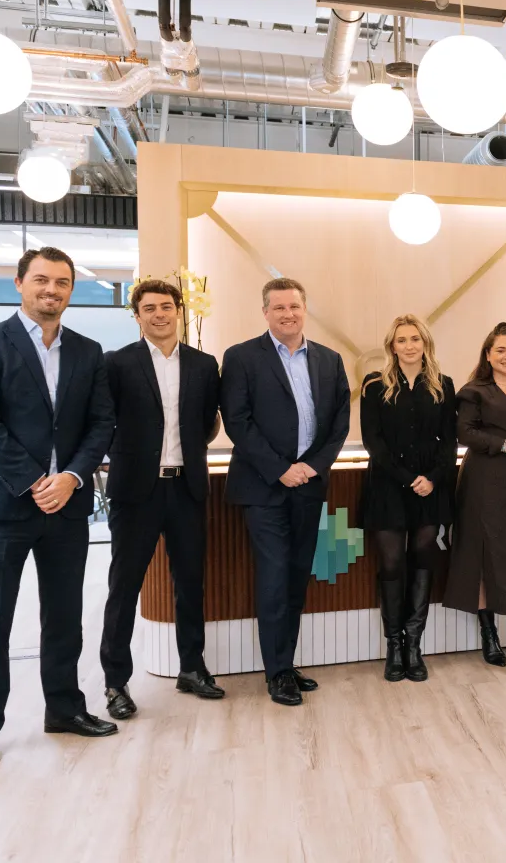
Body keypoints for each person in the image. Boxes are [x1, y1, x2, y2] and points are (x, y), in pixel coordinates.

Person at [0, 247, 116, 774]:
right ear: (20, 283)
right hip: (2, 506)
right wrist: (34, 481)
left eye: (63, 282)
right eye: (42, 280)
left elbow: (101, 425)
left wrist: (70, 479)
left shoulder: (89, 352)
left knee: (65, 617)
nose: (52, 290)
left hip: (66, 506)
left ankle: (65, 708)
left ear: (72, 290)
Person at [220, 278, 350, 707]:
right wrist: (281, 470)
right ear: (265, 313)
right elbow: (238, 422)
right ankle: (276, 673)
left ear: (305, 307)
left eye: (294, 306)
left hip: (309, 486)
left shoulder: (329, 360)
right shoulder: (241, 358)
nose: (287, 314)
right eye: (278, 308)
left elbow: (339, 423)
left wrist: (312, 467)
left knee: (296, 577)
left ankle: (286, 662)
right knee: (274, 578)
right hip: (264, 488)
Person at [99, 279, 224, 720]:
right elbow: (104, 422)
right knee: (124, 586)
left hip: (186, 487)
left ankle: (191, 667)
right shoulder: (116, 364)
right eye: (149, 308)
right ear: (137, 316)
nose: (159, 314)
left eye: (167, 306)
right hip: (136, 491)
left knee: (190, 582)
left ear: (179, 312)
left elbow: (209, 422)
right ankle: (116, 682)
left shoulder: (204, 364)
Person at [359, 314, 456, 683]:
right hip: (387, 486)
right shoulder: (375, 385)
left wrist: (430, 480)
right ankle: (394, 647)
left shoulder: (443, 386)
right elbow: (374, 443)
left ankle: (414, 645)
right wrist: (407, 479)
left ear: (425, 343)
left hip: (430, 489)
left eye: (415, 339)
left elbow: (449, 443)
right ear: (392, 346)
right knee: (392, 564)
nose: (409, 345)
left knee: (422, 560)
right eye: (402, 340)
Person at [443, 322, 506, 678]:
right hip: (482, 482)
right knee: (483, 558)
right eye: (500, 350)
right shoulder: (474, 390)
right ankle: (489, 636)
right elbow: (464, 432)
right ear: (488, 354)